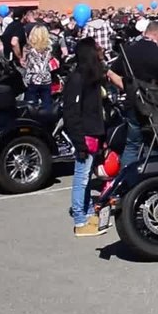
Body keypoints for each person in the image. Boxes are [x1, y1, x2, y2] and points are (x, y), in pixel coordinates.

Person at [113, 21, 158, 169]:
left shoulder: (128, 51)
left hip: (133, 103)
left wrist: (127, 87)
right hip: (155, 106)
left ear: (145, 33)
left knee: (132, 144)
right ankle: (150, 177)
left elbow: (111, 73)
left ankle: (127, 179)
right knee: (155, 144)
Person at [61, 37, 109, 237]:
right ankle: (80, 220)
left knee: (88, 176)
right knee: (81, 177)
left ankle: (88, 211)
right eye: (96, 48)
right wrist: (79, 143)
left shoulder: (92, 77)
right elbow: (71, 113)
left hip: (94, 132)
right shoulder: (77, 78)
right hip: (84, 135)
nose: (100, 50)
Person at [22, 25, 54, 111]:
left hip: (32, 79)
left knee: (31, 106)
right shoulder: (49, 48)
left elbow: (24, 62)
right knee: (47, 104)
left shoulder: (27, 48)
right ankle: (47, 120)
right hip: (46, 78)